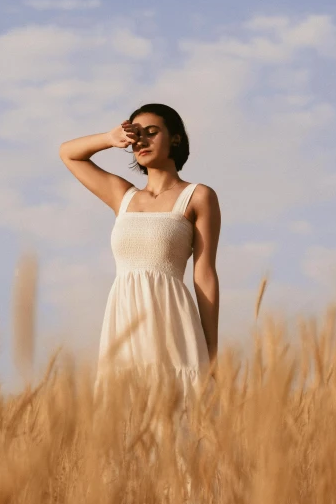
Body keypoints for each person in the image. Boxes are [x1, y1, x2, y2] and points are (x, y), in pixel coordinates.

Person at [59, 103, 221, 402]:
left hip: (172, 320)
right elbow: (68, 152)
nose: (142, 141)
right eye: (136, 136)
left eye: (152, 132)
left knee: (180, 417)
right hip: (124, 322)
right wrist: (110, 138)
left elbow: (205, 273)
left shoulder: (198, 196)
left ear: (174, 138)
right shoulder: (123, 196)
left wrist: (211, 350)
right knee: (126, 418)